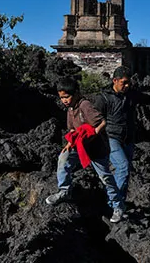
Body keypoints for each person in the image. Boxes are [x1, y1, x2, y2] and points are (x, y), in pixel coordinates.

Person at [94, 66, 150, 221]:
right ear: (115, 81)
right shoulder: (104, 98)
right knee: (122, 167)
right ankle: (117, 206)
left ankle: (115, 203)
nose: (127, 86)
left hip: (128, 138)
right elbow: (94, 117)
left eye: (129, 83)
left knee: (125, 173)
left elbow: (145, 99)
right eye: (124, 83)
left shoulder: (131, 94)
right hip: (111, 138)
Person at [45, 77, 123, 223]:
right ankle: (64, 190)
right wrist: (69, 144)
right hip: (80, 145)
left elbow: (102, 122)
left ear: (76, 93)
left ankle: (118, 206)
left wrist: (94, 133)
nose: (64, 100)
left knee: (105, 177)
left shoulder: (85, 105)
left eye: (67, 97)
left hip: (96, 148)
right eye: (62, 98)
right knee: (63, 158)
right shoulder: (70, 109)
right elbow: (73, 129)